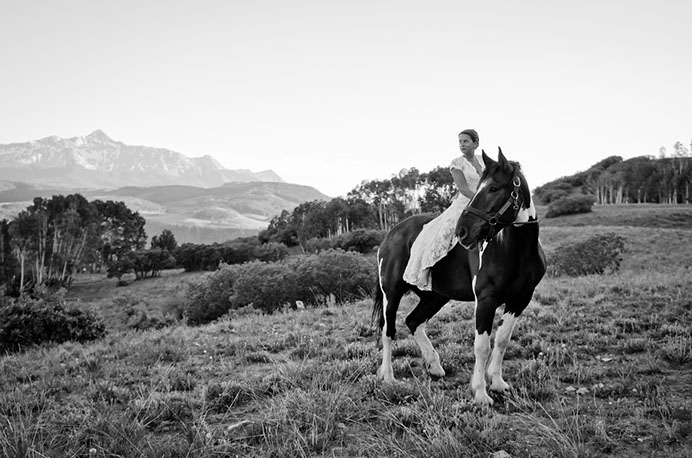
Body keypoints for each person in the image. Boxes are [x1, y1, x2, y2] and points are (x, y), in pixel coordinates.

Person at [403, 128, 484, 290]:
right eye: (460, 141)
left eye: (466, 141)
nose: (462, 144)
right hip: (466, 203)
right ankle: (426, 269)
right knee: (445, 230)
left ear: (475, 143)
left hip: (485, 202)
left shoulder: (483, 160)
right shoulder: (457, 163)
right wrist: (480, 201)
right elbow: (463, 189)